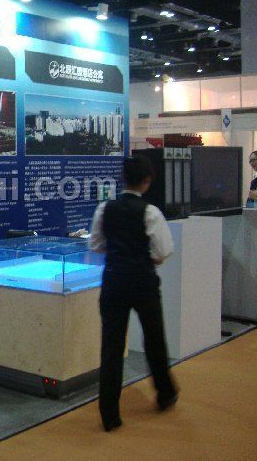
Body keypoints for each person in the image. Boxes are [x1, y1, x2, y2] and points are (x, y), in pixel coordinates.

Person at [89, 155, 178, 432]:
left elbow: (96, 245)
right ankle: (165, 394)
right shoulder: (151, 212)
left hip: (113, 281)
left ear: (123, 178)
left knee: (112, 347)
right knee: (154, 339)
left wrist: (119, 252)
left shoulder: (105, 209)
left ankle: (109, 415)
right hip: (143, 282)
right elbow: (163, 250)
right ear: (147, 181)